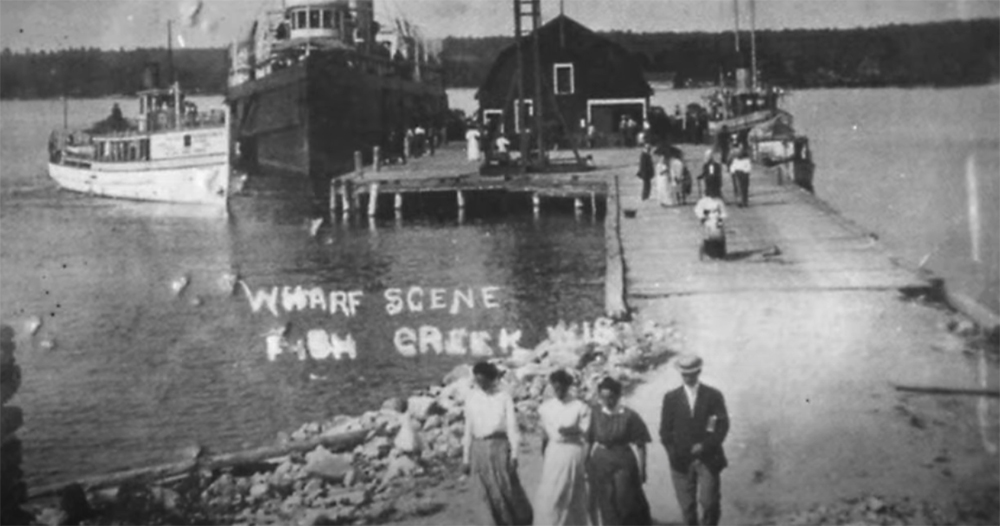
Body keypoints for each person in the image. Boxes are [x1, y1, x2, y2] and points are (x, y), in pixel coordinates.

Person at [659, 354, 730, 526]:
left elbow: (721, 425)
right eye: (684, 374)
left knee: (709, 503)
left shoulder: (713, 396)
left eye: (692, 373)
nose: (688, 377)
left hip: (708, 458)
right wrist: (673, 454)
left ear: (699, 372)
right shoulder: (671, 398)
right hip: (680, 461)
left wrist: (705, 445)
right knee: (687, 506)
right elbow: (665, 432)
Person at [463, 361, 533, 526]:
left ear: (491, 378)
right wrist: (466, 459)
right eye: (478, 381)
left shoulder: (503, 397)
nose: (481, 384)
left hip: (500, 448)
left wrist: (514, 454)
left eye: (484, 380)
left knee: (506, 490)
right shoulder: (471, 397)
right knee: (484, 494)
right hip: (478, 449)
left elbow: (512, 427)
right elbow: (468, 429)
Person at [587, 377, 652, 526]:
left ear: (618, 396)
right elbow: (589, 439)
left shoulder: (629, 415)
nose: (607, 401)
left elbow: (641, 444)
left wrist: (642, 469)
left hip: (623, 460)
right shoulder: (595, 413)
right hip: (601, 461)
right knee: (606, 500)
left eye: (611, 397)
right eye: (602, 397)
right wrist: (585, 462)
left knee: (625, 501)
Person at [534, 370, 591, 526]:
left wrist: (572, 430)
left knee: (573, 492)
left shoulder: (579, 406)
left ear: (568, 386)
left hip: (573, 451)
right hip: (554, 452)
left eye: (562, 388)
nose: (559, 391)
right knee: (551, 492)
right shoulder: (545, 408)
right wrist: (544, 453)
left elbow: (586, 430)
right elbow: (545, 434)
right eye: (556, 388)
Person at [694, 194, 727, 260]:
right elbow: (698, 210)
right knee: (706, 237)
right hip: (707, 220)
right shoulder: (703, 201)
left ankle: (720, 253)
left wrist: (720, 219)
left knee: (720, 235)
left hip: (717, 220)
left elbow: (723, 212)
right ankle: (704, 252)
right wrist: (702, 218)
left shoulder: (719, 201)